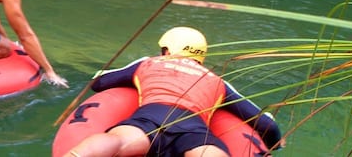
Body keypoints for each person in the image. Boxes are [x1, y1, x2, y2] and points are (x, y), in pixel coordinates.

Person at [64, 27, 284, 157]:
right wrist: (276, 142)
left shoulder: (150, 63)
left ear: (167, 50)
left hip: (151, 118)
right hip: (194, 127)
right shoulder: (216, 80)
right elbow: (265, 123)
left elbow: (100, 81)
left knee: (119, 141)